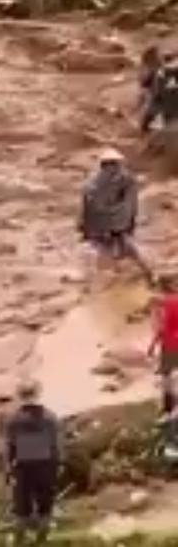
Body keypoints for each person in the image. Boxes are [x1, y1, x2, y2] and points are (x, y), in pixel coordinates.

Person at [79, 148, 153, 281]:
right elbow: (130, 206)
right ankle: (149, 276)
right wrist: (127, 224)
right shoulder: (125, 180)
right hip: (115, 226)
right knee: (129, 251)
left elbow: (86, 208)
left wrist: (85, 227)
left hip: (99, 228)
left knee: (104, 253)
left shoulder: (92, 182)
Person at [3, 380, 62, 546]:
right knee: (45, 505)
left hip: (23, 467)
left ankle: (19, 541)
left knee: (22, 507)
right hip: (46, 465)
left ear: (19, 395)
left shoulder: (13, 419)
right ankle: (41, 540)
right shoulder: (50, 416)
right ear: (38, 393)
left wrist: (8, 469)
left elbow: (9, 446)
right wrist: (58, 464)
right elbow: (56, 444)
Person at [149, 274, 178, 410]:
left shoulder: (162, 303)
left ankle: (169, 407)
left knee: (167, 375)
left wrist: (152, 345)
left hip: (170, 343)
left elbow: (162, 328)